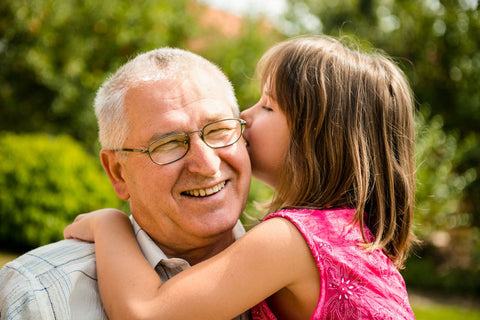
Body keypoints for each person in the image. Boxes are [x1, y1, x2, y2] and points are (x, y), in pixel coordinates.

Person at [64, 35, 418, 319]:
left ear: (314, 137)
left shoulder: (292, 240)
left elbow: (145, 313)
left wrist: (110, 224)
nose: (245, 117)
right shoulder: (346, 232)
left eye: (267, 106)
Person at [0, 48, 252, 319]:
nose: (207, 165)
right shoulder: (38, 297)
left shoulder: (293, 270)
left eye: (219, 130)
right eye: (167, 143)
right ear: (118, 172)